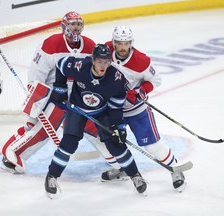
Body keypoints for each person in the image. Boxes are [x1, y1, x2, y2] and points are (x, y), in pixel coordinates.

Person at [1, 11, 104, 174]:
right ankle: (11, 155)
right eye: (72, 24)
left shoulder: (90, 46)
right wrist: (38, 99)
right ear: (65, 26)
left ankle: (113, 155)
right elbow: (36, 76)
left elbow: (95, 72)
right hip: (54, 95)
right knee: (38, 128)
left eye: (78, 24)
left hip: (78, 96)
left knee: (95, 125)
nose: (76, 28)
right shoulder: (51, 44)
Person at [44, 44, 147, 198]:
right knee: (68, 144)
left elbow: (115, 107)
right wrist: (60, 87)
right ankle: (52, 176)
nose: (103, 65)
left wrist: (118, 125)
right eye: (99, 61)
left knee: (116, 145)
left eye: (106, 62)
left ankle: (135, 175)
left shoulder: (116, 79)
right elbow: (60, 65)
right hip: (76, 109)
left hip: (101, 112)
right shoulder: (80, 66)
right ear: (93, 60)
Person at [95, 26, 186, 192]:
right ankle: (123, 169)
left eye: (126, 43)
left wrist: (141, 91)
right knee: (113, 144)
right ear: (113, 42)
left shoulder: (141, 61)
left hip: (136, 110)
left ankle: (176, 169)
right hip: (113, 110)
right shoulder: (105, 51)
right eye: (119, 43)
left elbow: (155, 80)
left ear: (131, 43)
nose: (122, 47)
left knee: (152, 146)